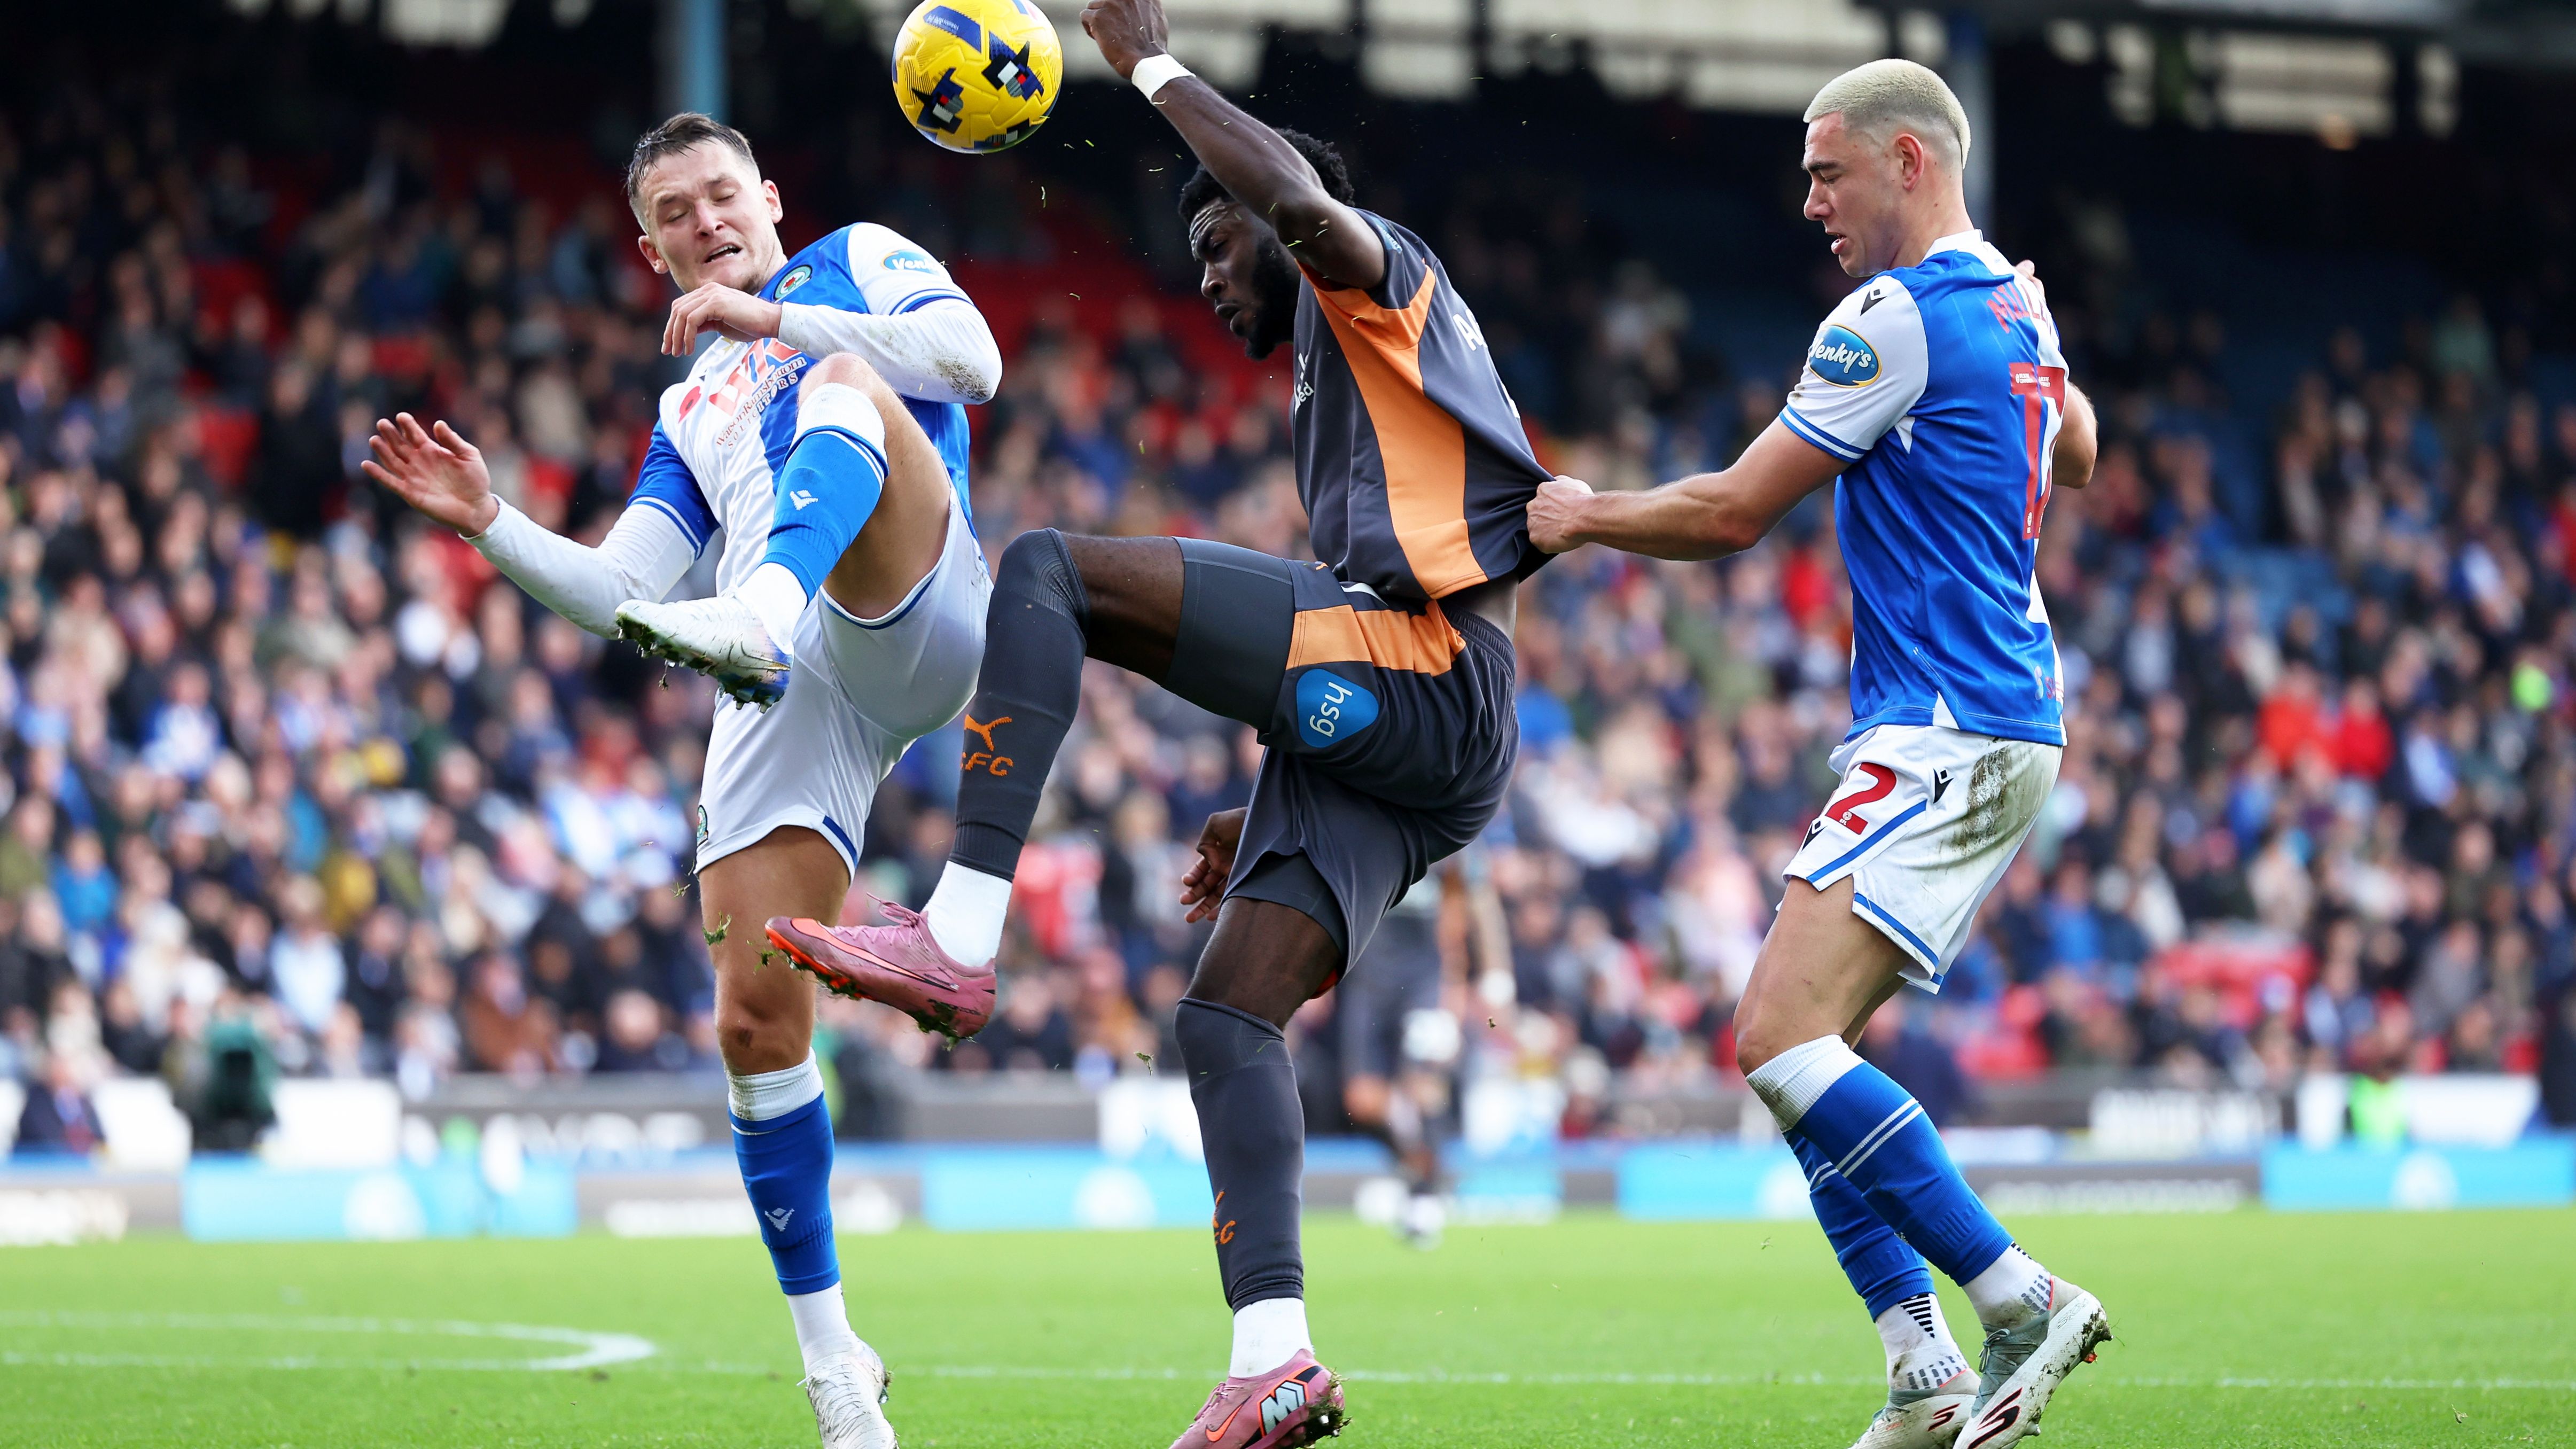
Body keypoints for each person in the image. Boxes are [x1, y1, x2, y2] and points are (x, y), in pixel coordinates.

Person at [763, 0, 1550, 1440]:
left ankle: (959, 933)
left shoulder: (1375, 280)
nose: (1204, 278)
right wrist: (1291, 779)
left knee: (1052, 571)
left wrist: (1147, 64)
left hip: (1428, 670)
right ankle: (1276, 1354)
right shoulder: (1349, 382)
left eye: (1213, 244)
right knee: (1222, 1016)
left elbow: (1300, 204)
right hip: (1427, 733)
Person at [361, 112, 1000, 1449]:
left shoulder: (858, 262)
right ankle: (835, 1368)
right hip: (783, 675)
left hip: (913, 606)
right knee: (753, 1024)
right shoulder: (685, 406)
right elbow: (629, 591)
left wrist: (774, 323)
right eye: (676, 213)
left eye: (724, 196)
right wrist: (494, 524)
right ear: (650, 250)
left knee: (836, 388)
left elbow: (974, 361)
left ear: (769, 196)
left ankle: (761, 609)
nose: (707, 222)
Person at [1525, 59, 2109, 1449]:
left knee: (1772, 1034)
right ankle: (1916, 1369)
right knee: (1811, 1049)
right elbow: (2073, 448)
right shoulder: (2008, 304)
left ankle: (2014, 1298)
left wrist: (1578, 514)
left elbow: (1731, 513)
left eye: (1825, 169)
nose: (1807, 201)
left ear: (1907, 160)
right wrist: (2030, 333)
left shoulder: (1890, 318)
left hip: (1940, 724)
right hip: (1999, 719)